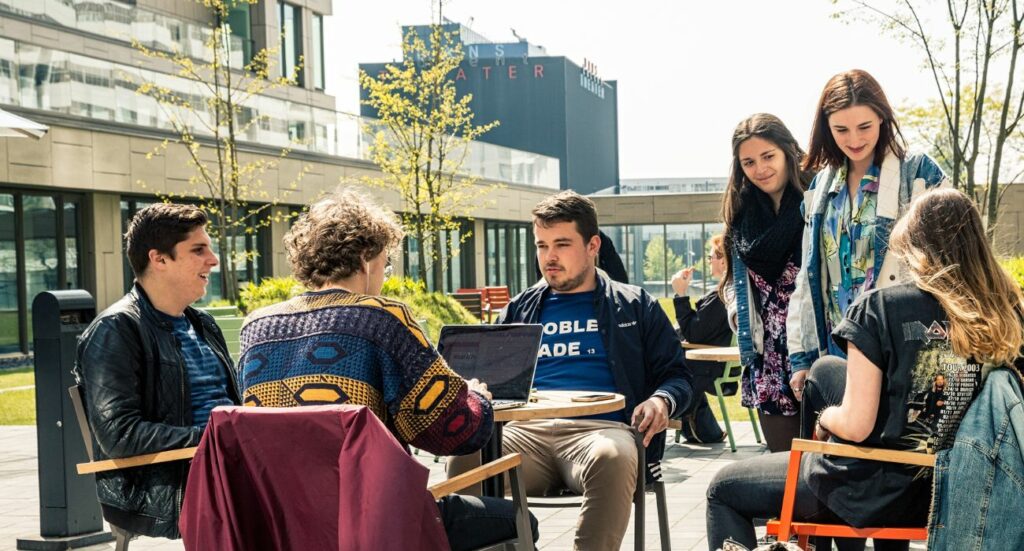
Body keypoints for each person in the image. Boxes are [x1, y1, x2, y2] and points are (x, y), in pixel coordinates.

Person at [705, 189, 1024, 551]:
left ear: (915, 247)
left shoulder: (880, 308)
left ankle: (815, 523)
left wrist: (825, 419)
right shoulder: (1009, 316)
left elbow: (857, 425)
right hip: (953, 489)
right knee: (824, 371)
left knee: (723, 489)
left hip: (870, 488)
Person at [237, 189, 537, 551]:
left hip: (283, 524)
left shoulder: (256, 327)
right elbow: (451, 432)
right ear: (366, 259)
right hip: (377, 525)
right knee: (521, 520)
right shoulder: (382, 318)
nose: (384, 274)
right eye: (385, 263)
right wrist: (477, 399)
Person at [451, 190, 693, 551]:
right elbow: (485, 382)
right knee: (464, 459)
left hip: (601, 432)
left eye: (562, 244)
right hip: (524, 434)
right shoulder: (519, 309)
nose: (549, 257)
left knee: (614, 456)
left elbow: (679, 377)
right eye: (542, 245)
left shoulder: (634, 305)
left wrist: (661, 401)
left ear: (593, 244)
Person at [787, 69, 948, 436]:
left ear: (882, 117)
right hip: (836, 348)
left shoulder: (917, 173)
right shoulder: (821, 187)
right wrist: (801, 358)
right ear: (826, 128)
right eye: (841, 130)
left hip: (900, 350)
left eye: (864, 126)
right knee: (838, 470)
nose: (854, 139)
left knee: (890, 464)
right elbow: (808, 279)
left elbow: (946, 265)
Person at [74, 203, 240, 539]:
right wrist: (217, 437)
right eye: (198, 249)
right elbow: (120, 435)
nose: (213, 259)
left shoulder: (202, 324)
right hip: (168, 481)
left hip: (226, 462)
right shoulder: (116, 329)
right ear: (159, 259)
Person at [719, 113, 810, 452]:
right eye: (749, 162)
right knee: (784, 471)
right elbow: (733, 281)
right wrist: (738, 315)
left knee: (830, 472)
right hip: (768, 357)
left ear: (788, 152)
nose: (760, 169)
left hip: (816, 351)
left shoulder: (816, 203)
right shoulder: (741, 214)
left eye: (768, 156)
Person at [670, 233, 730, 443]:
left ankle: (669, 414)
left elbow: (693, 332)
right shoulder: (726, 292)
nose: (709, 261)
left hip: (706, 365)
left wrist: (680, 294)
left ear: (723, 261)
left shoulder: (722, 295)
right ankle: (701, 427)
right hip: (706, 362)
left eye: (711, 256)